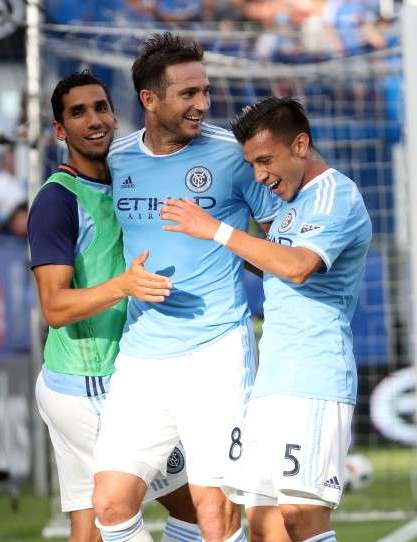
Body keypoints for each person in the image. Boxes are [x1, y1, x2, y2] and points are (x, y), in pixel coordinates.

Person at [92, 33, 280, 542]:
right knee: (109, 504)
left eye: (205, 92)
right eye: (188, 94)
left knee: (214, 514)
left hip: (216, 351)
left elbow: (277, 249)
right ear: (149, 100)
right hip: (142, 355)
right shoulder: (119, 158)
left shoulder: (233, 156)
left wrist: (219, 232)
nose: (203, 104)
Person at [160, 97, 372, 542]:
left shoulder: (337, 194)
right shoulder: (291, 202)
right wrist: (216, 247)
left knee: (299, 514)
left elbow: (297, 266)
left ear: (300, 144)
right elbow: (275, 263)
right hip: (271, 380)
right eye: (251, 164)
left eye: (264, 160)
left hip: (316, 378)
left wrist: (217, 230)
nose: (259, 176)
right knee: (264, 525)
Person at [29, 70, 201, 542]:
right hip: (92, 386)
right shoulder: (56, 202)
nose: (94, 119)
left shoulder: (123, 179)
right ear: (60, 131)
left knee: (92, 524)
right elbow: (55, 307)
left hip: (87, 382)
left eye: (101, 107)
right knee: (200, 509)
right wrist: (123, 286)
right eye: (78, 112)